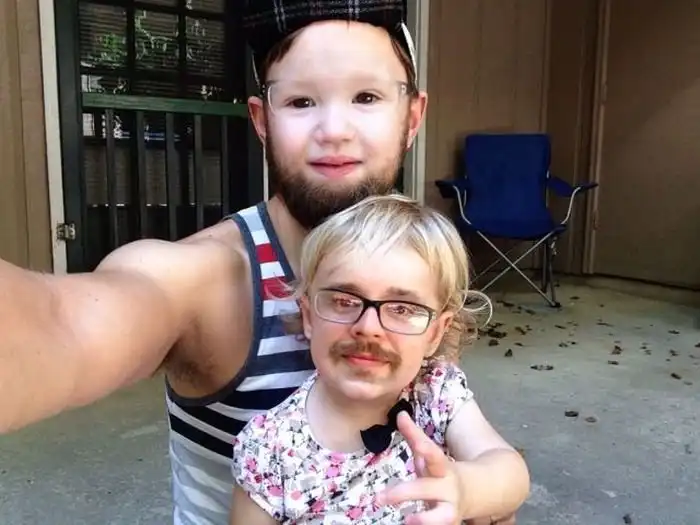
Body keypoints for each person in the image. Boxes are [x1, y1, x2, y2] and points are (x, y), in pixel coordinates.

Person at [0, 1, 519, 524]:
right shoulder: (201, 279)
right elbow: (62, 324)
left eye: (366, 97)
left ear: (412, 117)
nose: (334, 130)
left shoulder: (421, 265)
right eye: (300, 101)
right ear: (262, 119)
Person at [229, 194, 530, 525]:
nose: (368, 328)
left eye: (402, 308)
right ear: (309, 317)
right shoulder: (268, 448)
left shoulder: (435, 394)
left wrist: (465, 491)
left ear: (435, 333)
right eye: (344, 301)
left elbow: (508, 471)